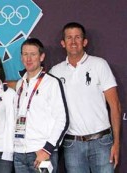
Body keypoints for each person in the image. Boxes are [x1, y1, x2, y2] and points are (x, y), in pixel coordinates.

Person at [50, 22, 121, 173]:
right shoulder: (55, 72)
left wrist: (116, 143)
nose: (73, 42)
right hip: (72, 145)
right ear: (63, 43)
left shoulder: (99, 65)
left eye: (77, 37)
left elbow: (115, 106)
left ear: (85, 41)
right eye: (69, 38)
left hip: (102, 142)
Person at [13, 38, 69, 173]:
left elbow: (63, 120)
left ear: (42, 57)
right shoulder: (20, 84)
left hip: (41, 153)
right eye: (25, 54)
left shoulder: (51, 83)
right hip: (20, 153)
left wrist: (47, 149)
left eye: (33, 54)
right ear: (21, 57)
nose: (28, 58)